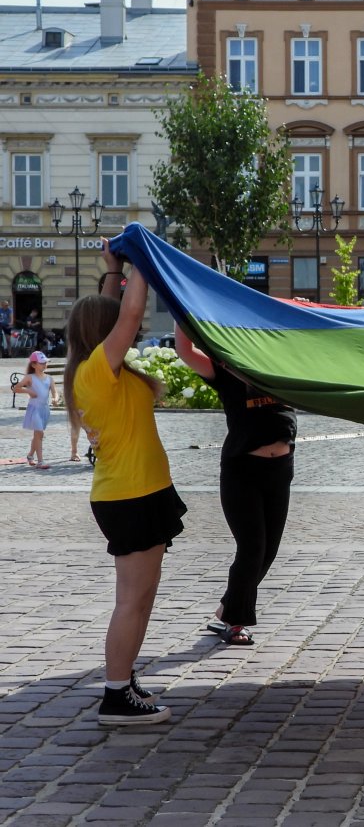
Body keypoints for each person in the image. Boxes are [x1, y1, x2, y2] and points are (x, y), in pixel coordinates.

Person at [65, 239, 185, 725]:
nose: (121, 325)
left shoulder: (102, 372)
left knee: (141, 598)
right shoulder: (96, 372)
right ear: (102, 330)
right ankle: (115, 696)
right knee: (132, 601)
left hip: (139, 491)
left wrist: (116, 266)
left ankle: (123, 678)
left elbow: (120, 311)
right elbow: (131, 314)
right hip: (129, 494)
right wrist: (144, 256)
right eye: (111, 321)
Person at [175, 324, 297, 647]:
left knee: (268, 552)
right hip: (242, 470)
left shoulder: (282, 365)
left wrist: (297, 315)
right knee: (252, 548)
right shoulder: (226, 369)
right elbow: (185, 351)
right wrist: (178, 306)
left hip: (280, 470)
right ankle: (236, 622)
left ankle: (228, 608)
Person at [13, 350, 57, 469]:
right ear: (33, 365)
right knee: (39, 433)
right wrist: (28, 391)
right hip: (34, 409)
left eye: (45, 362)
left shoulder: (49, 378)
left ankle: (30, 455)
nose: (44, 365)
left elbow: (55, 392)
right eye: (41, 363)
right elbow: (16, 388)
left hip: (45, 410)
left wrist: (55, 399)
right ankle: (40, 461)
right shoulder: (29, 377)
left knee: (38, 435)